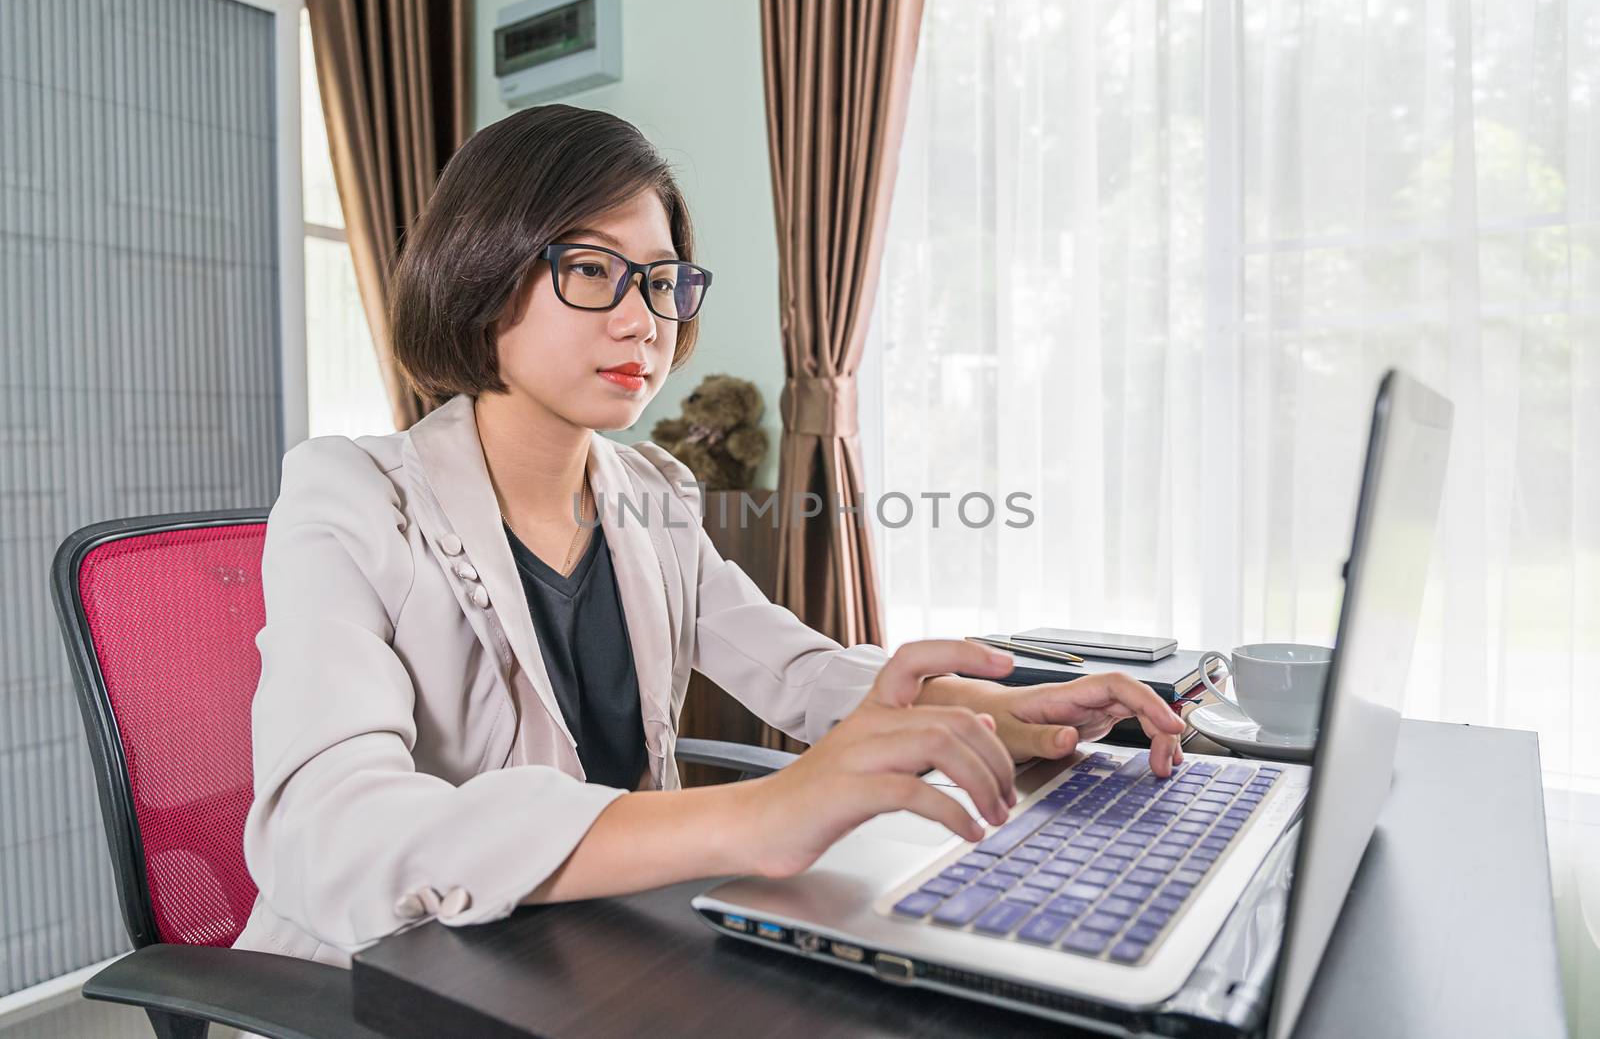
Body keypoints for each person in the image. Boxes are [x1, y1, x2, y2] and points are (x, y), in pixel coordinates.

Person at [231, 104, 1185, 966]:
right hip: (392, 980)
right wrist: (758, 815)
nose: (643, 319)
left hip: (592, 953)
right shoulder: (349, 493)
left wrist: (1010, 711)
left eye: (660, 280)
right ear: (480, 275)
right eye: (593, 270)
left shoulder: (655, 490)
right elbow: (330, 833)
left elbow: (798, 674)